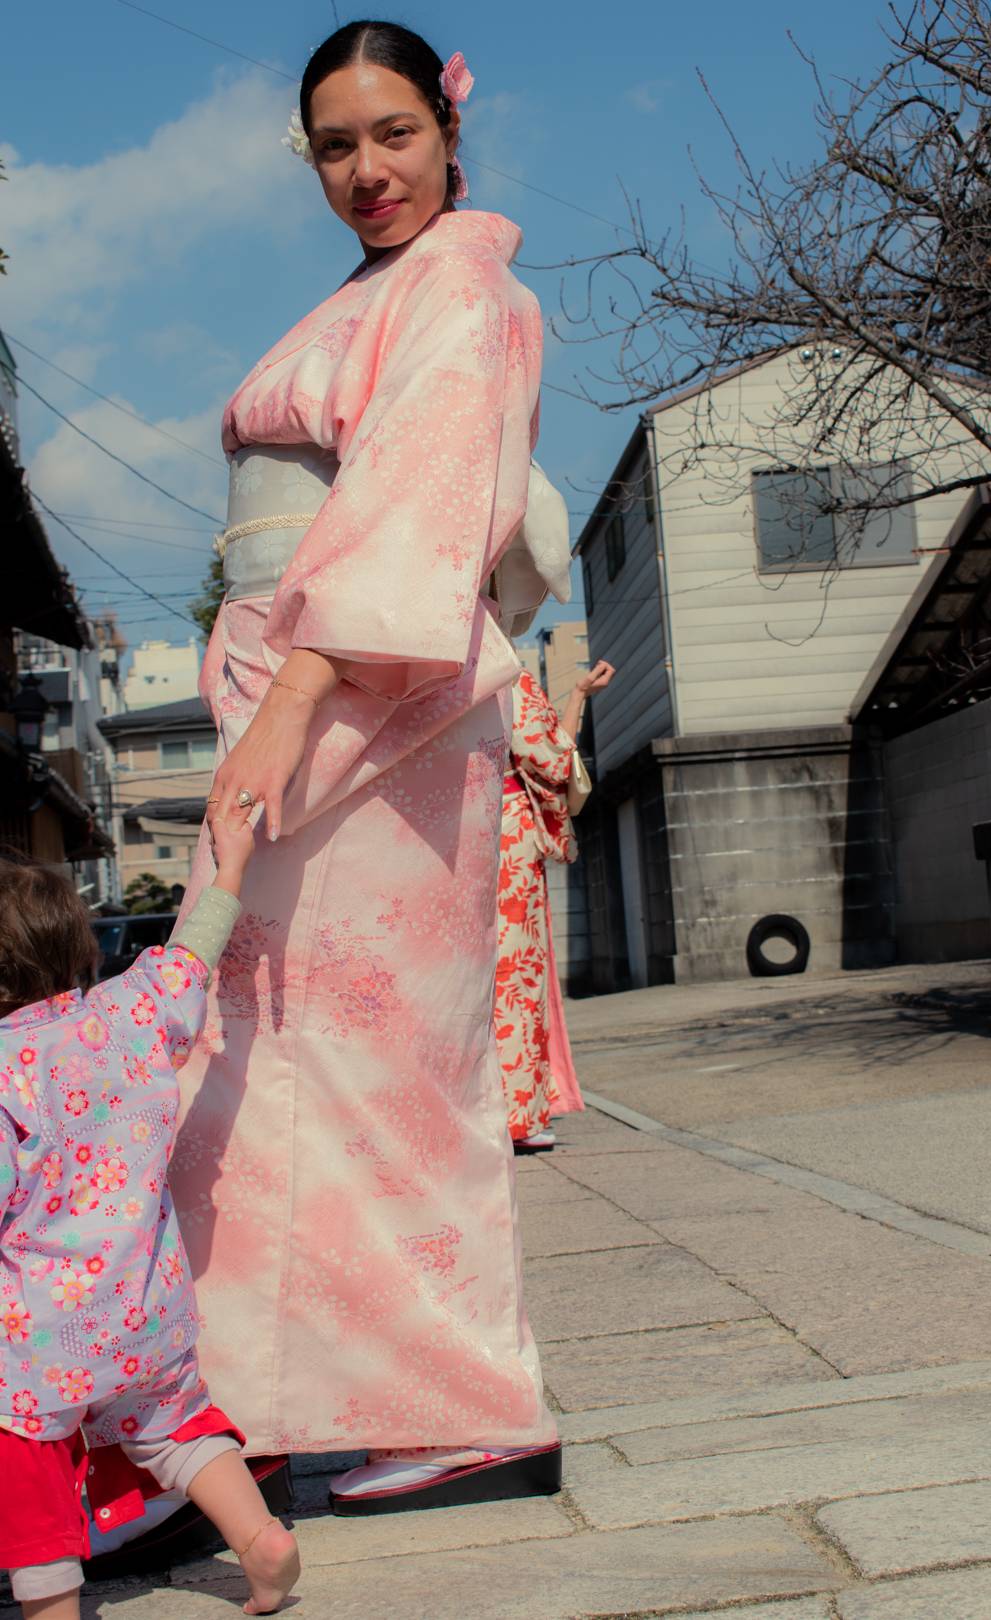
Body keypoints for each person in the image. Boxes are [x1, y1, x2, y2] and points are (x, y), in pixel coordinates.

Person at [144, 20, 561, 1520]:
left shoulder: (465, 291)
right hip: (313, 685)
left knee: (370, 1071)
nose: (368, 170)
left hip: (364, 704)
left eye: (393, 133)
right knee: (268, 1068)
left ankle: (459, 1407)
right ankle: (250, 1408)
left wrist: (285, 703)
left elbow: (410, 518)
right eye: (336, 145)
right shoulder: (385, 293)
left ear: (450, 130)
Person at [0, 838, 300, 1619]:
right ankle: (262, 1541)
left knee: (24, 1457)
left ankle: (51, 1608)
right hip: (148, 1310)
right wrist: (228, 865)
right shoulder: (128, 1011)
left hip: (38, 1337)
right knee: (176, 1429)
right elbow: (192, 951)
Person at [497, 661, 615, 1150]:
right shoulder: (504, 672)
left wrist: (578, 695)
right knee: (516, 974)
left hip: (463, 823)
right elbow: (548, 759)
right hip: (507, 831)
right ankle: (516, 1115)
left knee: (480, 974)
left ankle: (490, 1109)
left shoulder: (452, 666)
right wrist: (575, 703)